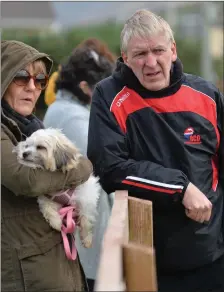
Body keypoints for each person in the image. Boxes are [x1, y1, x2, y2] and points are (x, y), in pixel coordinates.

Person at [87, 9, 224, 292]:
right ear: (125, 58)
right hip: (149, 263)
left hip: (212, 256)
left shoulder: (206, 95)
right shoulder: (110, 96)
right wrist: (181, 188)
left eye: (158, 50)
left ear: (172, 51)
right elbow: (109, 168)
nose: (151, 62)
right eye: (140, 54)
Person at [1, 40, 93, 292]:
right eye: (21, 77)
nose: (32, 87)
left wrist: (76, 168)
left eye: (40, 80)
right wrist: (72, 171)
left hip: (53, 265)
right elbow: (27, 179)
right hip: (25, 275)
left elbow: (86, 166)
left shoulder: (30, 125)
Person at [43, 41, 115, 290]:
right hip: (82, 242)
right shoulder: (72, 117)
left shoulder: (64, 109)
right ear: (85, 87)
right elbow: (101, 162)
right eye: (105, 88)